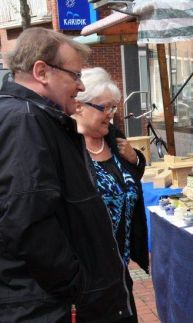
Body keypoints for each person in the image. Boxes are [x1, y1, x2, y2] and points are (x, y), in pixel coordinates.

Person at [0, 28, 133, 321]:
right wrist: (76, 286)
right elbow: (28, 222)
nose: (81, 86)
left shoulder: (36, 117)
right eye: (74, 75)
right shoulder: (25, 120)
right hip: (46, 305)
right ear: (42, 72)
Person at [72, 67, 149, 321]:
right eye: (105, 108)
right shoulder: (68, 148)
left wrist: (136, 158)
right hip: (88, 272)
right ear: (80, 106)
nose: (111, 116)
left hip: (120, 265)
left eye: (113, 108)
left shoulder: (113, 138)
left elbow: (131, 176)